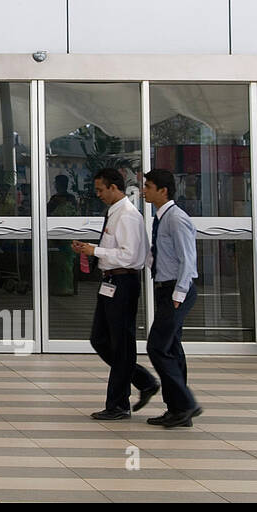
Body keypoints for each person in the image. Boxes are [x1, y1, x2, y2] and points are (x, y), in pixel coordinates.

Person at [73, 168, 159, 420]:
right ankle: (143, 381)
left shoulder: (128, 216)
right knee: (100, 339)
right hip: (111, 282)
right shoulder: (115, 213)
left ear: (114, 188)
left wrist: (95, 251)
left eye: (101, 189)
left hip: (123, 282)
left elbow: (131, 256)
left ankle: (119, 404)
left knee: (121, 344)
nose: (98, 194)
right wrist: (92, 250)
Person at [141, 168, 202, 428]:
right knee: (173, 348)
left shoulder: (176, 219)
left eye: (149, 186)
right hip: (165, 287)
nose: (144, 190)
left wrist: (178, 294)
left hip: (177, 290)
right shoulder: (160, 218)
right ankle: (178, 410)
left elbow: (188, 259)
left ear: (163, 190)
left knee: (157, 346)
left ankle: (187, 403)